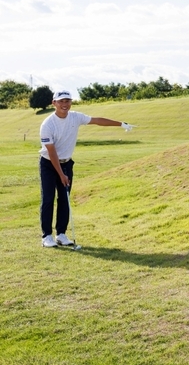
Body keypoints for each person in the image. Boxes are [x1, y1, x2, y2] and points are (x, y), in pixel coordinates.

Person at [39, 90, 134, 248]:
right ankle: (46, 236)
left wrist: (121, 124)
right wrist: (61, 174)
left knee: (65, 198)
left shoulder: (76, 117)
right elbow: (51, 151)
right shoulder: (48, 124)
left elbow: (97, 120)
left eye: (67, 101)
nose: (65, 104)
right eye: (61, 101)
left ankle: (61, 234)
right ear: (54, 103)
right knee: (48, 198)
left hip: (67, 162)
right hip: (49, 163)